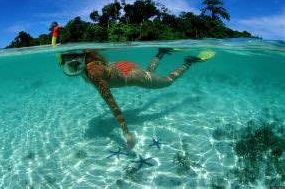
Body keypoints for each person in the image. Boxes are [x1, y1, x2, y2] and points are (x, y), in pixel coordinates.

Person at [57, 49, 215, 149]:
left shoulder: (93, 73)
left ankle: (188, 63)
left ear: (82, 58)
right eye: (69, 66)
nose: (74, 68)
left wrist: (126, 133)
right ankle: (160, 53)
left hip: (132, 75)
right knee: (149, 74)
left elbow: (112, 104)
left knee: (167, 81)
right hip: (123, 66)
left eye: (75, 64)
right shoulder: (87, 63)